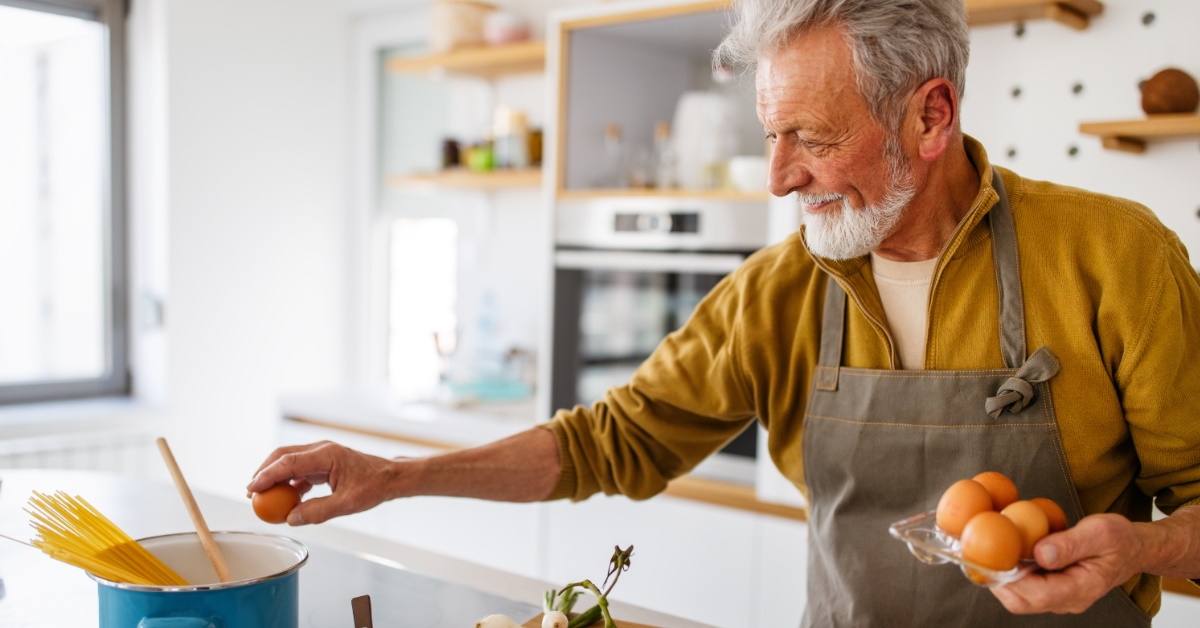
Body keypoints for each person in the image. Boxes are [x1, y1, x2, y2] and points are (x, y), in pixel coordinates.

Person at [249, 0, 1200, 624]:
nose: (781, 176)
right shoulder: (777, 292)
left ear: (931, 115)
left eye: (812, 138)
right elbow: (605, 443)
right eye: (770, 136)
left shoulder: (1114, 258)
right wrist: (397, 475)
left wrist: (1145, 548)